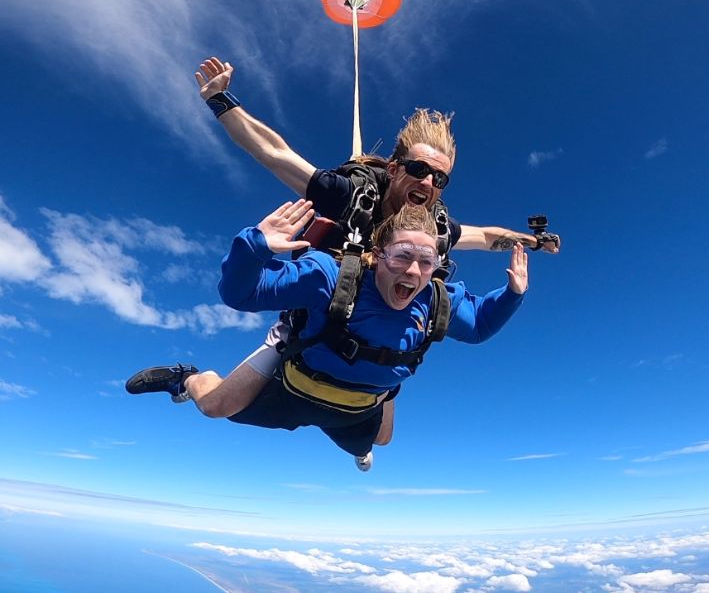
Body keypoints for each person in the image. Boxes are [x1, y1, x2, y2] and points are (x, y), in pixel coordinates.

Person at [130, 58, 554, 413]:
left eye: (440, 178)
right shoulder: (352, 197)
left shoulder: (433, 226)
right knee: (220, 405)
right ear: (394, 170)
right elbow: (274, 154)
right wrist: (222, 101)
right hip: (316, 313)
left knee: (381, 434)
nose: (428, 183)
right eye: (420, 170)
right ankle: (188, 380)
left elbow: (484, 236)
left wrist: (531, 241)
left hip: (381, 330)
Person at [129, 200, 528, 471]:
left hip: (354, 408)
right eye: (402, 255)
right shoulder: (329, 276)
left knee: (380, 442)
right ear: (378, 254)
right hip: (293, 386)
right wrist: (255, 246)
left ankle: (385, 394)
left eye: (427, 261)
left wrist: (512, 294)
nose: (413, 272)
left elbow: (477, 327)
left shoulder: (437, 298)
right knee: (217, 405)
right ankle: (185, 377)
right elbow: (241, 293)